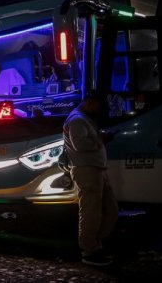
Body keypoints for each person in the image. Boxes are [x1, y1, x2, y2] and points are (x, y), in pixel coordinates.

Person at [63, 93, 119, 267]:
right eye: (98, 106)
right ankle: (90, 251)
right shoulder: (77, 120)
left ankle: (96, 245)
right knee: (90, 212)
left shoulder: (82, 119)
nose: (99, 111)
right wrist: (101, 138)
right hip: (87, 170)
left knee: (111, 210)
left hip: (96, 170)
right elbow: (81, 145)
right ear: (89, 102)